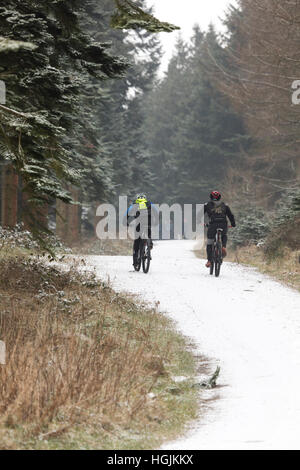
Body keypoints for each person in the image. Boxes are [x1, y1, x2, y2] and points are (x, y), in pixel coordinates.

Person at [124, 194, 159, 266]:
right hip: (148, 222)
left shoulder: (134, 204)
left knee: (137, 240)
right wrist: (156, 222)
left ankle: (136, 257)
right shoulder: (149, 203)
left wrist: (125, 223)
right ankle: (150, 244)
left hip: (139, 223)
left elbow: (126, 214)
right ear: (145, 199)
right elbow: (156, 213)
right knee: (148, 231)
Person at [204, 191, 236, 268]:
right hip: (223, 224)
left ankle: (209, 261)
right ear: (220, 197)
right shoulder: (225, 205)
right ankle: (223, 246)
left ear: (211, 197)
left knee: (209, 242)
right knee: (224, 235)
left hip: (213, 225)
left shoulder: (207, 205)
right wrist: (233, 224)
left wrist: (201, 223)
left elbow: (199, 215)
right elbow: (231, 215)